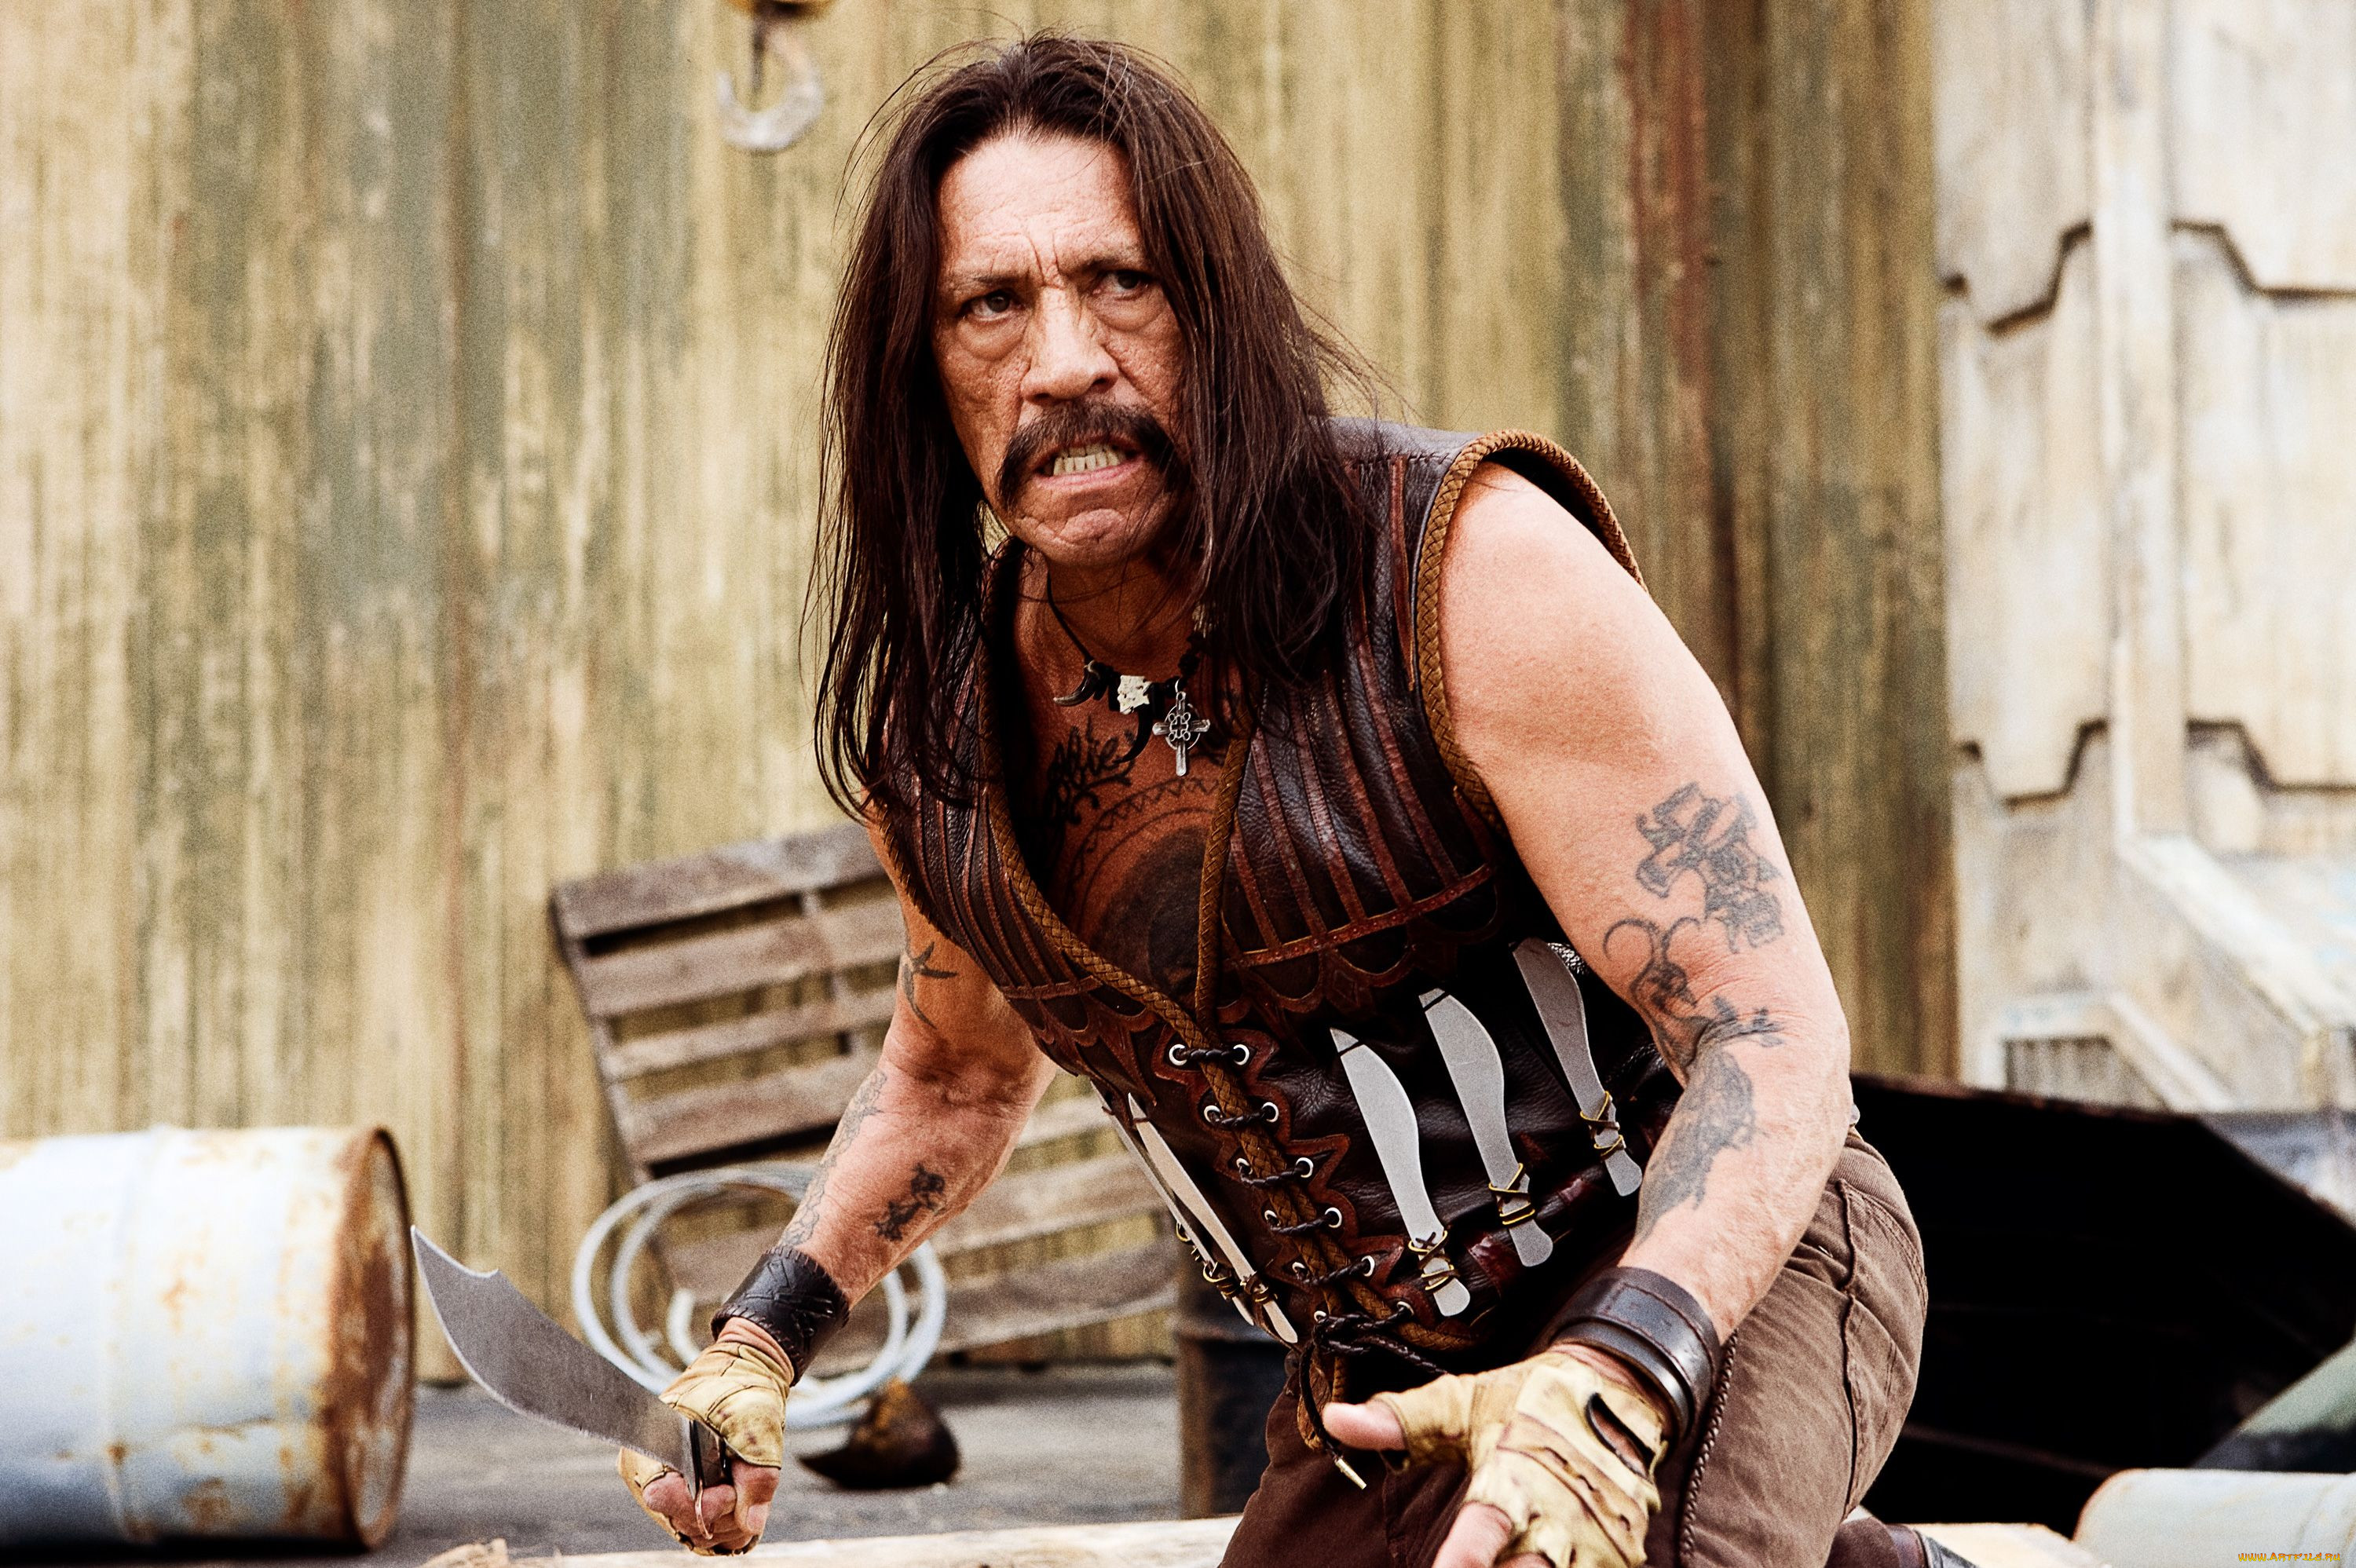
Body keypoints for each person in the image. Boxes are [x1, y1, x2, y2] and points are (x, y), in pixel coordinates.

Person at [618, 34, 1954, 1568]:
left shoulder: (1470, 571)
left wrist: (1621, 1369)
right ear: (922, 372)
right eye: (991, 305)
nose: (1064, 360)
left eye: (1121, 282)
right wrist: (762, 1337)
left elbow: (1769, 1035)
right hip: (1374, 1384)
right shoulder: (950, 739)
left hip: (1719, 1274)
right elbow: (953, 1076)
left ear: (1218, 312)